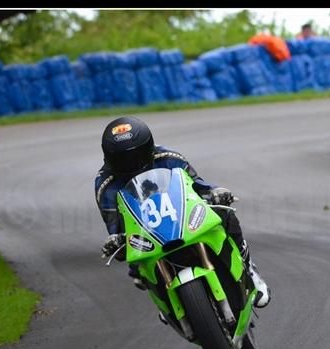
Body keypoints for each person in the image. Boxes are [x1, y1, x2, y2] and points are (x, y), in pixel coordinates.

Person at [95, 116, 271, 308]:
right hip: (144, 232)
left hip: (182, 218)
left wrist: (215, 192)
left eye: (136, 157)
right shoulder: (105, 184)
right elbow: (115, 224)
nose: (131, 165)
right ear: (109, 158)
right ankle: (165, 300)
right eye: (122, 160)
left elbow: (198, 185)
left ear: (149, 148)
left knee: (225, 213)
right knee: (136, 269)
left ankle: (250, 271)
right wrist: (114, 241)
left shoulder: (168, 158)